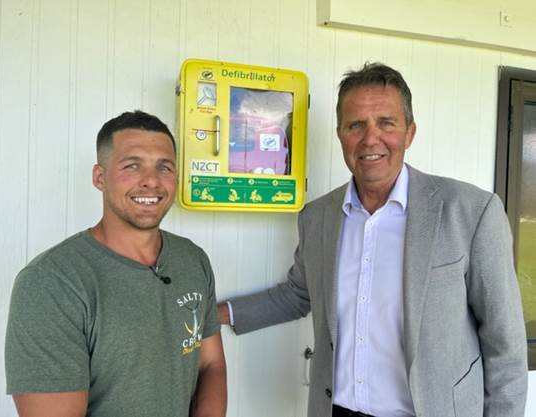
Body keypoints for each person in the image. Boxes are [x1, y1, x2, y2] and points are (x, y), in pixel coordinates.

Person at [218, 63, 527, 417]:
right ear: (340, 134)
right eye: (356, 125)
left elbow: (505, 344)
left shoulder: (471, 212)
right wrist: (212, 315)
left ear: (410, 132)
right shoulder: (317, 217)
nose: (370, 139)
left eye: (386, 123)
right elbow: (298, 294)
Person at [5, 111, 227, 417]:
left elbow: (210, 364)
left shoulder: (192, 259)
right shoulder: (51, 282)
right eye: (132, 166)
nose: (151, 181)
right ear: (100, 178)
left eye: (164, 167)